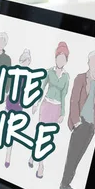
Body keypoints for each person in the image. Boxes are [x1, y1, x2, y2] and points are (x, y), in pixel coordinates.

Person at [59, 50, 95, 189]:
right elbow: (73, 100)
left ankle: (67, 184)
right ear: (88, 62)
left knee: (78, 157)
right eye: (92, 60)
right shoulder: (80, 78)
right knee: (72, 156)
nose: (94, 63)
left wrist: (93, 126)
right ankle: (63, 184)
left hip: (90, 126)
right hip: (80, 123)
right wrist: (76, 121)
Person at [30, 42, 70, 179]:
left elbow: (64, 96)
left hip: (56, 108)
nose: (61, 60)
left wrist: (63, 113)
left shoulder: (66, 77)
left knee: (47, 137)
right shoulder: (49, 72)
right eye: (59, 57)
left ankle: (33, 155)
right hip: (46, 105)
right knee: (41, 133)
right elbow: (41, 89)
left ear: (66, 60)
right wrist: (36, 103)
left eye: (64, 58)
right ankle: (40, 165)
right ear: (55, 58)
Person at [4, 49, 32, 168]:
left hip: (19, 105)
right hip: (11, 103)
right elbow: (8, 86)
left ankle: (8, 156)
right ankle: (7, 155)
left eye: (27, 61)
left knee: (13, 130)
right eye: (24, 60)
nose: (25, 63)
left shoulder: (29, 76)